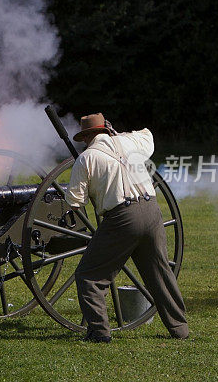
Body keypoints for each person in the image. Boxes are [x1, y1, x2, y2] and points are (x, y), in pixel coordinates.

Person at [65, 113, 188, 343]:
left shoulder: (86, 158)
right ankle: (180, 329)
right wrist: (118, 135)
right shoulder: (130, 142)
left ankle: (99, 333)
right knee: (160, 273)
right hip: (152, 211)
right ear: (106, 129)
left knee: (88, 276)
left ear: (87, 137)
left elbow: (75, 201)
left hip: (122, 218)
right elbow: (148, 136)